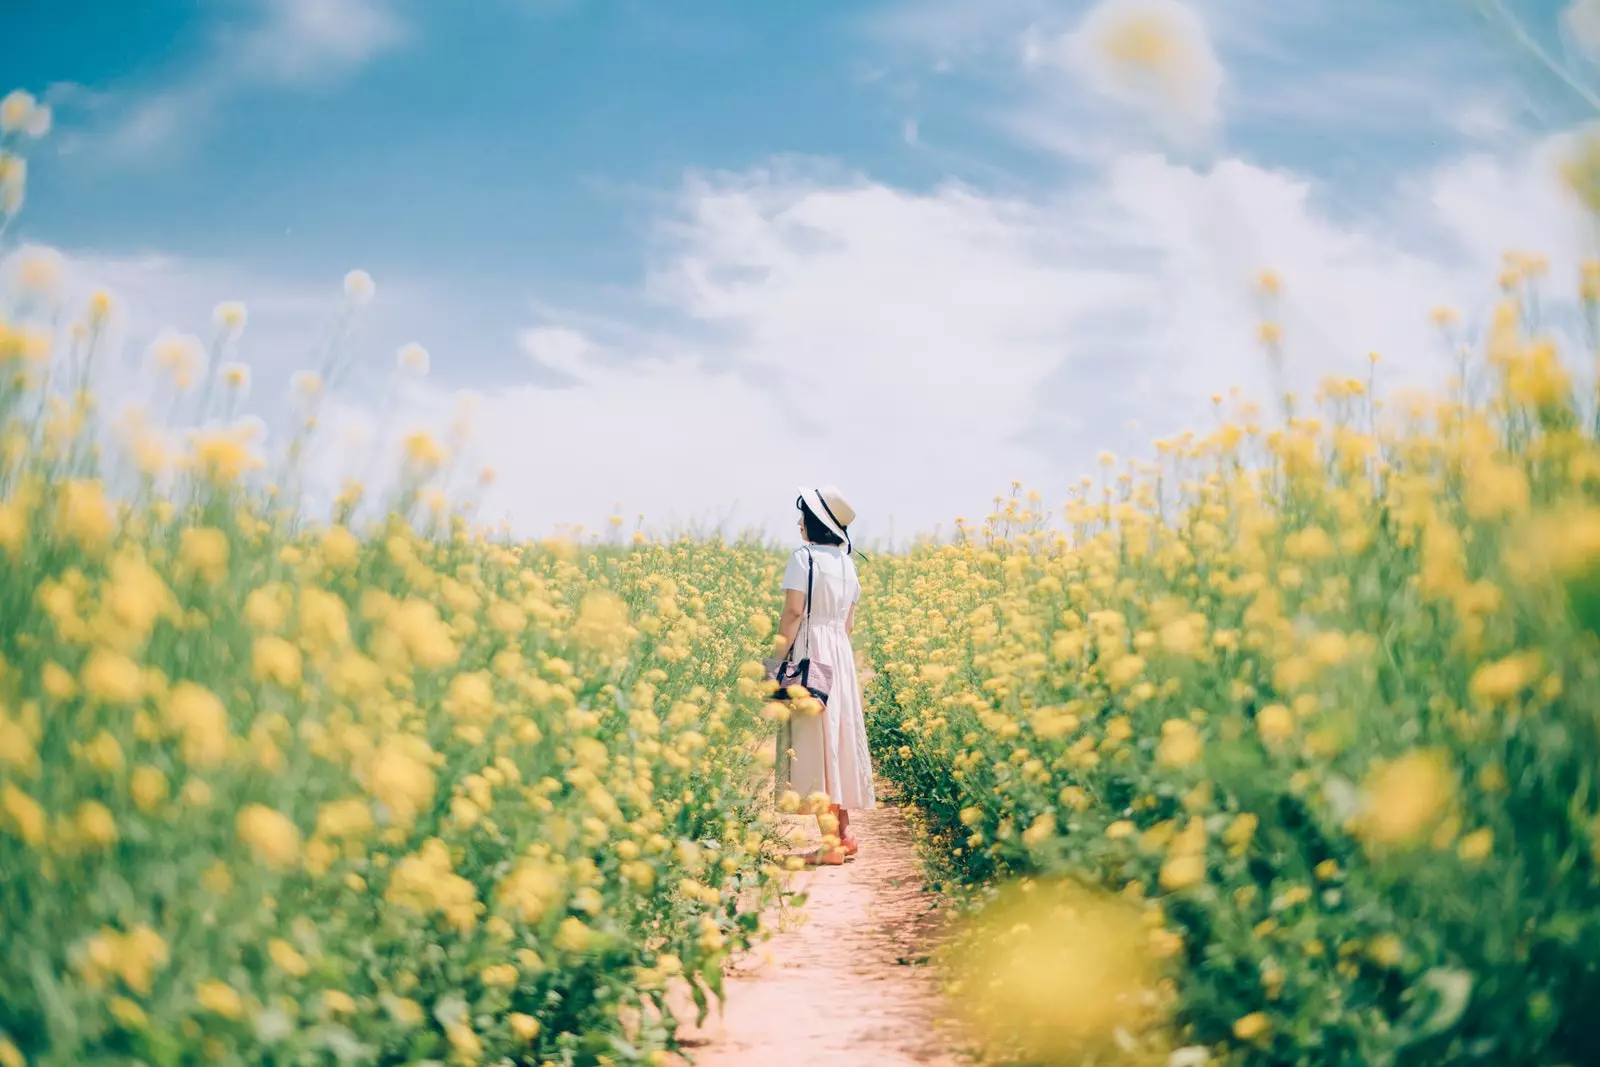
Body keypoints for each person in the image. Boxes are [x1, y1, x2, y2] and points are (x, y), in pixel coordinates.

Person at [772, 486, 875, 866]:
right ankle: (844, 835)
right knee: (835, 740)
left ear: (815, 524)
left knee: (814, 744)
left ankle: (830, 845)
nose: (799, 523)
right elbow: (847, 624)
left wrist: (775, 662)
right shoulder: (849, 564)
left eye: (804, 517)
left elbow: (794, 613)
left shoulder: (804, 558)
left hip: (810, 653)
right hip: (839, 656)